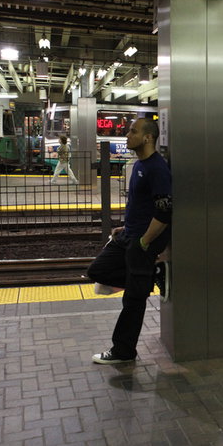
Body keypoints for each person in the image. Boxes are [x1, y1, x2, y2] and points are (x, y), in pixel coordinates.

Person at [87, 117, 171, 364]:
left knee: (133, 300)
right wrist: (126, 227)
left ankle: (123, 351)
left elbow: (164, 212)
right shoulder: (139, 165)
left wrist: (144, 242)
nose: (127, 135)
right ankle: (150, 274)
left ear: (147, 137)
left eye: (132, 131)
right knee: (98, 270)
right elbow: (142, 206)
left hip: (141, 242)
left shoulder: (157, 168)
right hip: (129, 235)